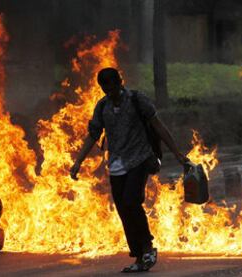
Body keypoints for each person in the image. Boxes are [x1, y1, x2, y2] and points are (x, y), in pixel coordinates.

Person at [70, 67, 188, 273]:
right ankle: (139, 255)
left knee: (131, 201)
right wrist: (78, 162)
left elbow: (158, 126)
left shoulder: (136, 100)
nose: (110, 92)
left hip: (139, 159)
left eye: (112, 87)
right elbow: (93, 135)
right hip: (116, 164)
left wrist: (177, 153)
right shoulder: (102, 107)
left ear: (119, 82)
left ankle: (148, 247)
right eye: (105, 88)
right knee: (123, 210)